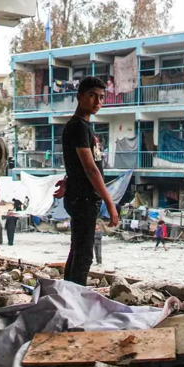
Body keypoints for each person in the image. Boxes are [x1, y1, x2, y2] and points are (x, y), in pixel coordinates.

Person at [52, 76, 119, 286]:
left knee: (77, 251)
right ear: (79, 96)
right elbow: (91, 170)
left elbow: (78, 164)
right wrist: (110, 203)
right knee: (84, 256)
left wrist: (68, 179)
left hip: (81, 195)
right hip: (84, 199)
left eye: (101, 97)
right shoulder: (79, 127)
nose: (98, 102)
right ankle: (74, 303)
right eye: (92, 96)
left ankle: (68, 298)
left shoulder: (83, 127)